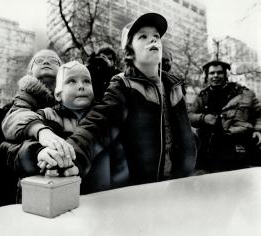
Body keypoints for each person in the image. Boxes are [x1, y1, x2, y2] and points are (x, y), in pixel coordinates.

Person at [47, 13, 196, 188]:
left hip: (181, 185)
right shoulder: (123, 86)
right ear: (129, 52)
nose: (154, 40)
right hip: (141, 193)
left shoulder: (175, 85)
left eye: (156, 37)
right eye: (143, 37)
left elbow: (187, 134)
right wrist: (70, 156)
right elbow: (98, 125)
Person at [11, 61, 110, 194]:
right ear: (58, 94)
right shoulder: (46, 116)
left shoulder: (102, 115)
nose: (81, 86)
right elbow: (20, 144)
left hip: (97, 196)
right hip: (53, 195)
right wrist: (39, 151)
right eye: (71, 81)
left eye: (87, 81)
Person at [188, 60, 261, 172]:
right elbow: (189, 116)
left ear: (226, 75)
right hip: (209, 151)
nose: (216, 76)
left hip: (239, 150)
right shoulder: (202, 96)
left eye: (219, 72)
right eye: (212, 73)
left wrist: (258, 130)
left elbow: (259, 113)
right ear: (207, 76)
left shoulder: (244, 93)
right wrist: (203, 118)